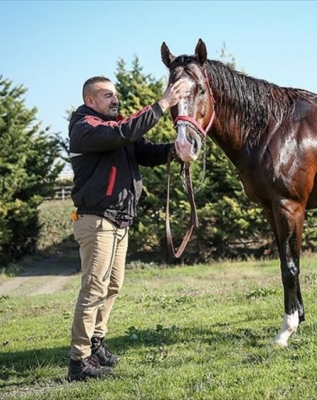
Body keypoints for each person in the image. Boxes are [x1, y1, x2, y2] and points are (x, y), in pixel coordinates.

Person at [66, 75, 192, 382]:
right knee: (94, 289)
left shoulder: (115, 128)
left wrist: (177, 150)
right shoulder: (85, 128)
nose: (115, 99)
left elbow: (146, 151)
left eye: (115, 95)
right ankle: (78, 362)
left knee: (112, 286)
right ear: (90, 101)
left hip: (118, 219)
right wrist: (163, 103)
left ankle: (96, 344)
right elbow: (124, 132)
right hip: (97, 220)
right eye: (107, 95)